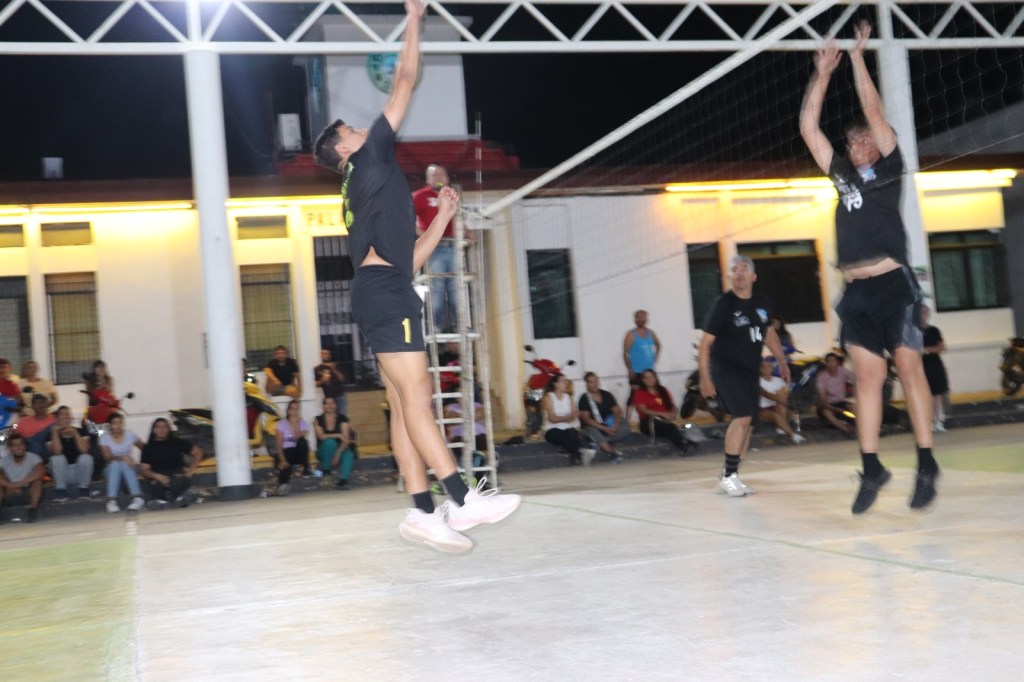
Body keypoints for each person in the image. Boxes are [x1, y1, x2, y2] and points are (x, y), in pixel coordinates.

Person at [313, 0, 519, 553]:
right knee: (419, 396)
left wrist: (444, 218)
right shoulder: (370, 157)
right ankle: (462, 499)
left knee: (406, 402)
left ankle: (422, 513)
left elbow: (406, 260)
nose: (365, 127)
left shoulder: (362, 189)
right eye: (353, 128)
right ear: (345, 148)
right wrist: (414, 17)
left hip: (384, 289)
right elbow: (405, 78)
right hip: (386, 295)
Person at [800, 21, 940, 513]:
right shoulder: (842, 177)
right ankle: (872, 466)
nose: (858, 145)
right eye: (853, 142)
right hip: (857, 294)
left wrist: (858, 57)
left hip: (893, 287)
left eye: (866, 141)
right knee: (867, 379)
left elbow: (875, 112)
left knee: (909, 367)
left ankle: (926, 463)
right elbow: (809, 129)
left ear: (880, 147)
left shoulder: (891, 169)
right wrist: (822, 74)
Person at [699, 256, 791, 497]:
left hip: (750, 370)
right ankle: (729, 477)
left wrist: (782, 361)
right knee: (742, 416)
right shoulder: (723, 304)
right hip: (725, 369)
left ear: (753, 276)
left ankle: (730, 475)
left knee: (749, 424)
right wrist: (705, 379)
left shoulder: (762, 302)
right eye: (734, 270)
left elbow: (768, 333)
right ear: (728, 276)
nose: (739, 273)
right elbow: (705, 344)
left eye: (744, 269)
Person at [412, 163, 458, 332]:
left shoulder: (452, 196)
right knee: (437, 286)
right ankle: (436, 326)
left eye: (442, 174)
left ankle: (459, 325)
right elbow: (406, 220)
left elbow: (457, 219)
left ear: (448, 178)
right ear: (427, 179)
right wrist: (426, 236)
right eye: (435, 175)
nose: (439, 178)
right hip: (434, 248)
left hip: (452, 245)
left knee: (456, 287)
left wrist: (467, 232)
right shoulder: (419, 196)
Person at [139, 418, 203, 507]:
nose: (162, 429)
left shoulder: (177, 442)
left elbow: (199, 452)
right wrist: (158, 476)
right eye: (159, 427)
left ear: (169, 429)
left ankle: (179, 499)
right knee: (154, 486)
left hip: (176, 475)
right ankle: (164, 501)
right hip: (158, 477)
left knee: (178, 482)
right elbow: (144, 470)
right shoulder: (148, 448)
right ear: (154, 430)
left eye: (165, 426)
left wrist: (190, 472)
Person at [632, 369, 692, 454]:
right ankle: (683, 443)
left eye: (652, 377)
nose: (650, 380)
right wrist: (662, 414)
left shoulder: (663, 390)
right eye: (646, 378)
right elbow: (642, 409)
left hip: (665, 421)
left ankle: (684, 444)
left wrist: (673, 413)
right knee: (668, 427)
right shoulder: (640, 393)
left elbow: (672, 405)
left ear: (655, 378)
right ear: (643, 380)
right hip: (649, 422)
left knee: (671, 427)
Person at [578, 371, 630, 464]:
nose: (594, 384)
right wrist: (605, 429)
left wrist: (615, 425)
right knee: (591, 431)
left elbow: (618, 411)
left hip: (609, 425)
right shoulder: (584, 398)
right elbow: (587, 420)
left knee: (624, 425)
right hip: (595, 427)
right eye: (591, 382)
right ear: (587, 385)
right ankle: (612, 453)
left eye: (596, 381)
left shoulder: (606, 394)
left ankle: (599, 442)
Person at [541, 374, 594, 466]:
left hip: (568, 427)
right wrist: (567, 418)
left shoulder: (569, 398)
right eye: (563, 381)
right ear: (556, 384)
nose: (566, 383)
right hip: (551, 429)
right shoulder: (548, 397)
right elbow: (552, 418)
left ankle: (579, 454)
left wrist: (561, 418)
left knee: (572, 433)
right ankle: (581, 452)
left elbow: (573, 417)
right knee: (559, 434)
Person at [99, 413, 146, 513]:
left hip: (129, 467)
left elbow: (145, 448)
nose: (118, 426)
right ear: (110, 425)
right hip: (111, 469)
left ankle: (137, 498)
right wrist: (123, 457)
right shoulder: (104, 438)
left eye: (120, 423)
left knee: (125, 464)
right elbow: (107, 458)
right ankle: (111, 501)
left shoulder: (130, 434)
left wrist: (142, 463)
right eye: (115, 423)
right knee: (116, 464)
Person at [622, 310, 662, 423]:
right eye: (639, 317)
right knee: (633, 397)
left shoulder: (651, 333)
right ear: (635, 319)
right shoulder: (631, 334)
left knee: (654, 395)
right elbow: (625, 353)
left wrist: (655, 359)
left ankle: (655, 419)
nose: (642, 320)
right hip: (636, 372)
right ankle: (627, 422)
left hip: (650, 372)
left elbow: (659, 345)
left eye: (644, 317)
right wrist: (629, 369)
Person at [48, 405, 93, 500]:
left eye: (68, 414)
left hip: (78, 471)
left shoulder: (81, 431)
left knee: (86, 458)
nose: (66, 416)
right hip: (62, 473)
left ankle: (84, 489)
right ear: (57, 418)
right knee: (57, 458)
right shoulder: (51, 434)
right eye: (62, 414)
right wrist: (55, 432)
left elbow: (84, 450)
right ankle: (60, 491)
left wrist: (75, 433)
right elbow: (57, 451)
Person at [759, 358, 806, 445]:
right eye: (764, 367)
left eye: (769, 367)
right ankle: (793, 435)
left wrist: (781, 396)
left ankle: (781, 427)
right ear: (760, 369)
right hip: (764, 409)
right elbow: (766, 394)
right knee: (776, 412)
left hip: (779, 406)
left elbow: (786, 393)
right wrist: (779, 395)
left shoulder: (778, 380)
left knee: (789, 409)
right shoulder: (758, 382)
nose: (767, 369)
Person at [313, 396, 356, 490]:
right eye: (327, 403)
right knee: (330, 442)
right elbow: (321, 436)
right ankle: (327, 470)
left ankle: (343, 480)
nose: (329, 405)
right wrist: (338, 435)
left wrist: (337, 454)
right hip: (323, 451)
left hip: (339, 449)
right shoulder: (318, 419)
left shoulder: (342, 418)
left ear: (335, 405)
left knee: (349, 454)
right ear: (323, 406)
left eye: (332, 403)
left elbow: (346, 439)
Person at [0, 433, 44, 523]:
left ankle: (32, 510)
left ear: (25, 446)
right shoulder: (3, 461)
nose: (18, 447)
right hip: (9, 492)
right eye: (14, 445)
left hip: (28, 491)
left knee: (38, 481)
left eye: (21, 444)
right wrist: (10, 485)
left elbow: (39, 472)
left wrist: (20, 483)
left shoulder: (34, 457)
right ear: (10, 448)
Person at [921, 306, 950, 433]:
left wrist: (927, 350)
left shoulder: (934, 330)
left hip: (935, 365)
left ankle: (938, 421)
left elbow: (942, 347)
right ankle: (929, 421)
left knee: (937, 395)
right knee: (926, 396)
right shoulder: (913, 331)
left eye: (925, 313)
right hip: (921, 367)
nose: (923, 316)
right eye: (921, 313)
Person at [274, 399, 312, 496]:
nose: (294, 411)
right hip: (285, 452)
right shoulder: (281, 424)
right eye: (292, 409)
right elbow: (278, 444)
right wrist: (282, 459)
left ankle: (305, 467)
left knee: (303, 442)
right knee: (285, 462)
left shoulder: (304, 424)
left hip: (298, 453)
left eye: (296, 409)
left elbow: (298, 437)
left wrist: (296, 424)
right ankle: (283, 485)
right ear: (288, 411)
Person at [816, 353, 856, 434]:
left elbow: (855, 379)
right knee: (826, 412)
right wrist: (839, 410)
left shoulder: (842, 371)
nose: (832, 363)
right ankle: (845, 429)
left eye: (834, 361)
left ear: (837, 362)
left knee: (855, 407)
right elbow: (823, 401)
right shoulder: (822, 377)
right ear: (826, 363)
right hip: (828, 405)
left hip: (841, 402)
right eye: (829, 361)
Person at [16, 394, 56, 459]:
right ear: (32, 406)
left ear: (47, 404)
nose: (40, 405)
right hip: (30, 451)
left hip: (50, 451)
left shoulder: (55, 419)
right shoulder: (23, 421)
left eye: (42, 402)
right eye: (36, 403)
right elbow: (15, 438)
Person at [313, 348, 347, 416]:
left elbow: (343, 379)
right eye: (323, 353)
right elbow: (316, 384)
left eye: (327, 353)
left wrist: (334, 370)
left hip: (339, 395)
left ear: (330, 355)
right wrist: (323, 380)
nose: (325, 355)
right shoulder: (317, 369)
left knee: (342, 416)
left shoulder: (336, 365)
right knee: (329, 416)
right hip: (328, 397)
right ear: (321, 355)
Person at [83, 360, 118, 424]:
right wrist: (98, 381)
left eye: (102, 367)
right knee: (89, 423)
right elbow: (92, 392)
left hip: (107, 408)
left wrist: (102, 378)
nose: (101, 369)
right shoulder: (89, 379)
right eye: (98, 367)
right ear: (94, 369)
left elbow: (109, 390)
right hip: (94, 407)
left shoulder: (109, 379)